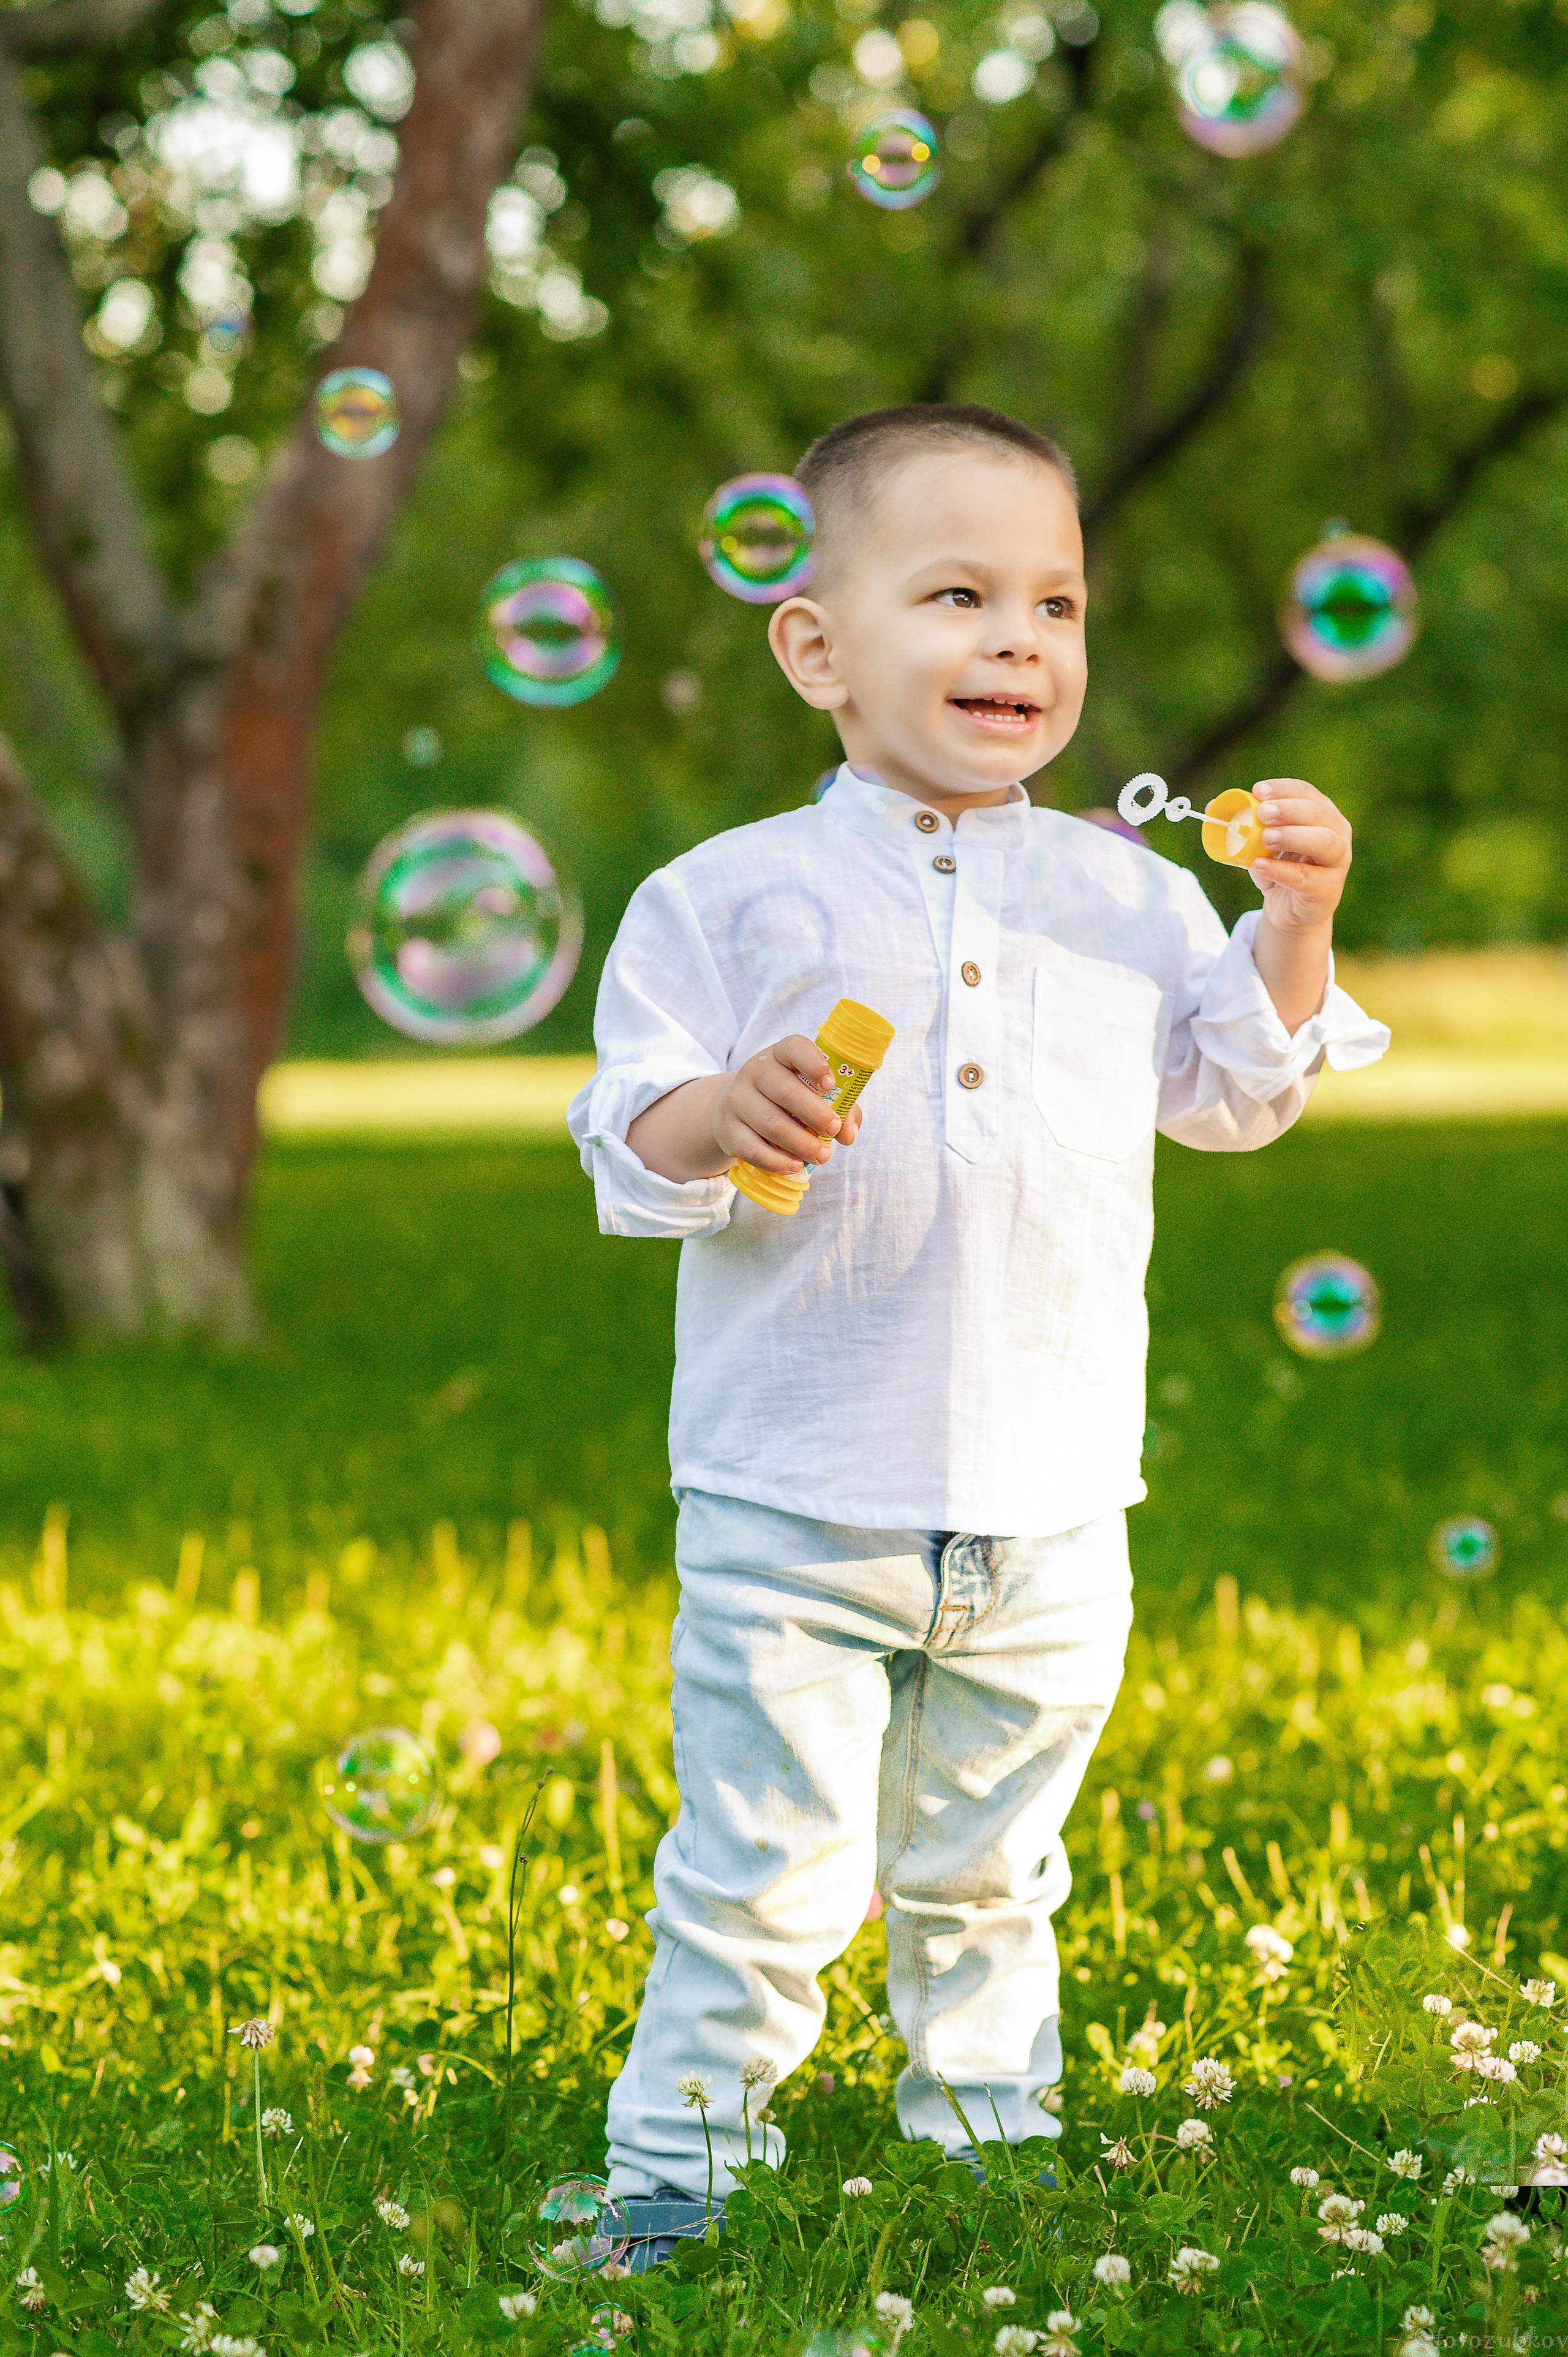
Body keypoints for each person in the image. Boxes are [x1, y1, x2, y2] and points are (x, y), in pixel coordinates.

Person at [566, 402, 1389, 2268]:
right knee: (762, 1878)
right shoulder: (727, 897)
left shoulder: (1127, 890)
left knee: (994, 1870)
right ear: (817, 646)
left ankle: (987, 2144)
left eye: (1057, 604)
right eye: (957, 594)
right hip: (796, 1498)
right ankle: (680, 2171)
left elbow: (1239, 1090)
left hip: (1052, 1506)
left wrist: (1295, 925)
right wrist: (721, 1114)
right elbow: (631, 1131)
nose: (1021, 642)